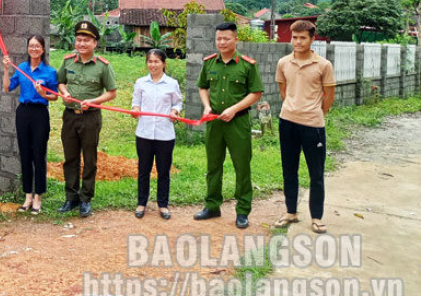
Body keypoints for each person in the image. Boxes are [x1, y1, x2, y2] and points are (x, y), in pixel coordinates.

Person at [195, 22, 263, 229]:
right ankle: (212, 205)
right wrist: (206, 107)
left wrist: (234, 109)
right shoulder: (209, 63)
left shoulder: (247, 65)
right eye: (219, 39)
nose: (222, 42)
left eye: (226, 38)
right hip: (214, 122)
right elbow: (203, 87)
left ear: (235, 39)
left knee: (242, 167)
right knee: (213, 165)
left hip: (238, 122)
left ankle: (242, 211)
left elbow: (256, 93)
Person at [274, 20, 335, 234]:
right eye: (294, 37)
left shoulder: (323, 65)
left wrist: (315, 113)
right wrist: (292, 108)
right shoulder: (283, 62)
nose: (298, 42)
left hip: (313, 125)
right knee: (289, 169)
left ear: (312, 39)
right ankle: (291, 212)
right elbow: (284, 91)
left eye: (302, 38)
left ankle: (316, 217)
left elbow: (329, 96)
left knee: (316, 173)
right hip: (287, 122)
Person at [57, 21, 117, 217]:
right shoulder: (67, 61)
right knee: (70, 158)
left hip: (91, 118)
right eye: (79, 40)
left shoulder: (102, 66)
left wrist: (93, 101)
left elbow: (112, 93)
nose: (81, 44)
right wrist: (64, 92)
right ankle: (71, 198)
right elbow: (61, 82)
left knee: (89, 159)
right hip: (70, 117)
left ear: (94, 43)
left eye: (86, 40)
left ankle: (85, 199)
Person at [2, 34, 58, 215]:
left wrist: (43, 94)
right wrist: (5, 69)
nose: (34, 49)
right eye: (31, 46)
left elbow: (55, 96)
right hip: (23, 113)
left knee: (38, 154)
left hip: (40, 114)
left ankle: (38, 198)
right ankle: (27, 196)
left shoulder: (49, 72)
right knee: (25, 154)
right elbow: (7, 88)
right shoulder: (22, 68)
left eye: (37, 46)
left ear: (43, 49)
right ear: (27, 48)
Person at [131, 49, 182, 220]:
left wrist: (174, 111)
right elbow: (135, 102)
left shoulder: (172, 84)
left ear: (164, 63)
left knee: (163, 171)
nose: (153, 65)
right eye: (150, 61)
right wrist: (136, 110)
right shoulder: (140, 83)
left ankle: (163, 205)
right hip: (144, 133)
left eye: (156, 61)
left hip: (165, 134)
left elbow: (178, 102)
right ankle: (141, 203)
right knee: (143, 170)